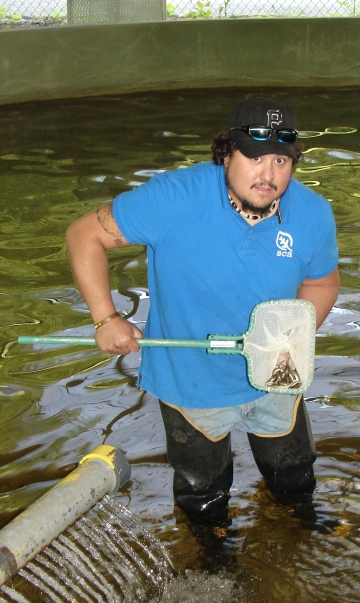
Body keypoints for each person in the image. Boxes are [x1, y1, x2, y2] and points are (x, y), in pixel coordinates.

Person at [66, 97, 340, 527]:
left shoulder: (314, 214)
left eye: (281, 161)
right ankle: (211, 561)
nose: (268, 175)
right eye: (253, 157)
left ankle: (297, 541)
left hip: (276, 375)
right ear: (227, 152)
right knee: (204, 500)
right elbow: (84, 235)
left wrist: (292, 334)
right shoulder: (172, 197)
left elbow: (323, 283)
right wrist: (106, 317)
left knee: (295, 479)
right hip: (191, 380)